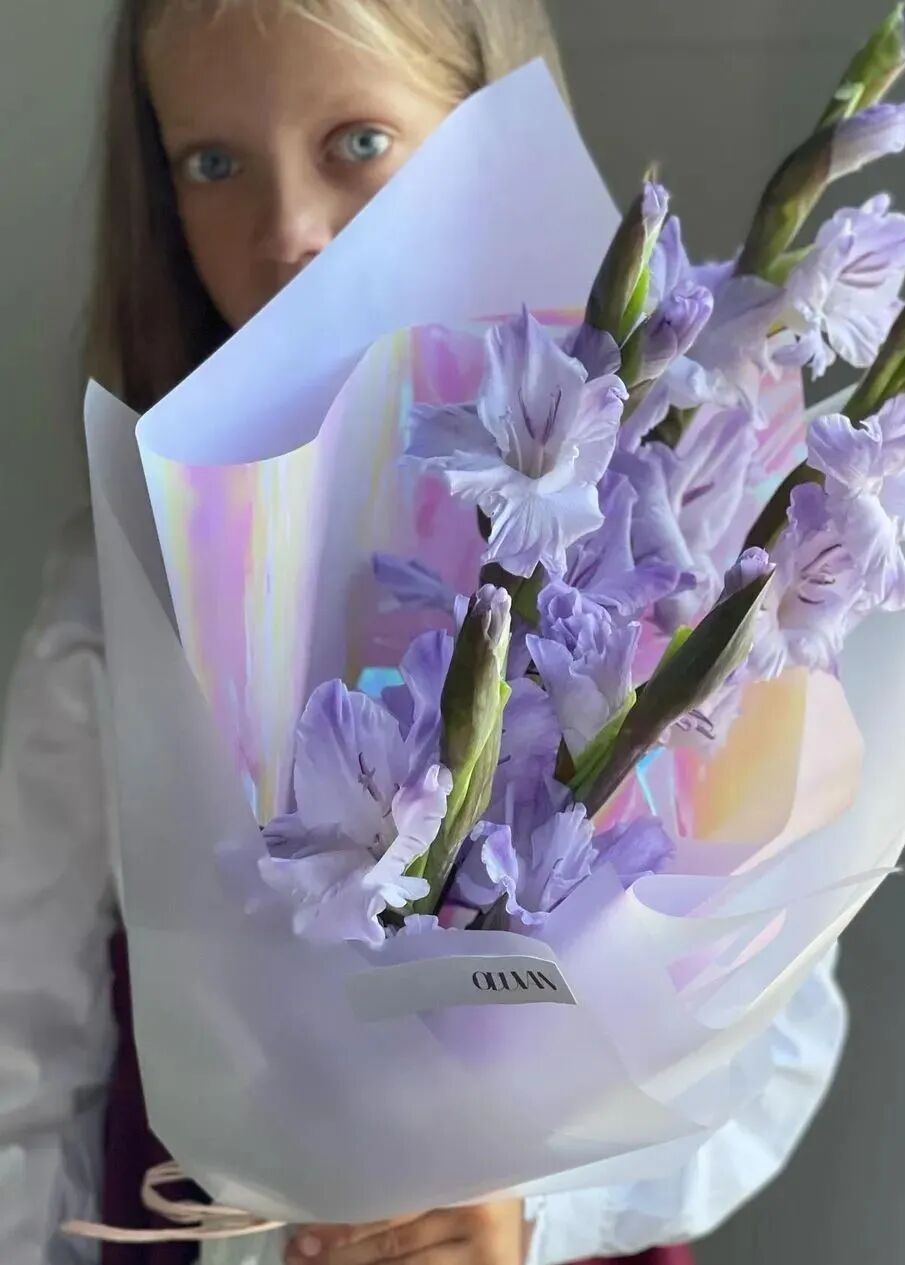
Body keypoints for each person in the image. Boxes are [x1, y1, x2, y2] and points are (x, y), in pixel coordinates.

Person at [0, 3, 848, 1264]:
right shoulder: (120, 589)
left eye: (357, 142)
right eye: (212, 162)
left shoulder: (668, 563)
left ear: (491, 140)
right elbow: (24, 1046)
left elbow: (773, 1039)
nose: (288, 230)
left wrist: (535, 1214)